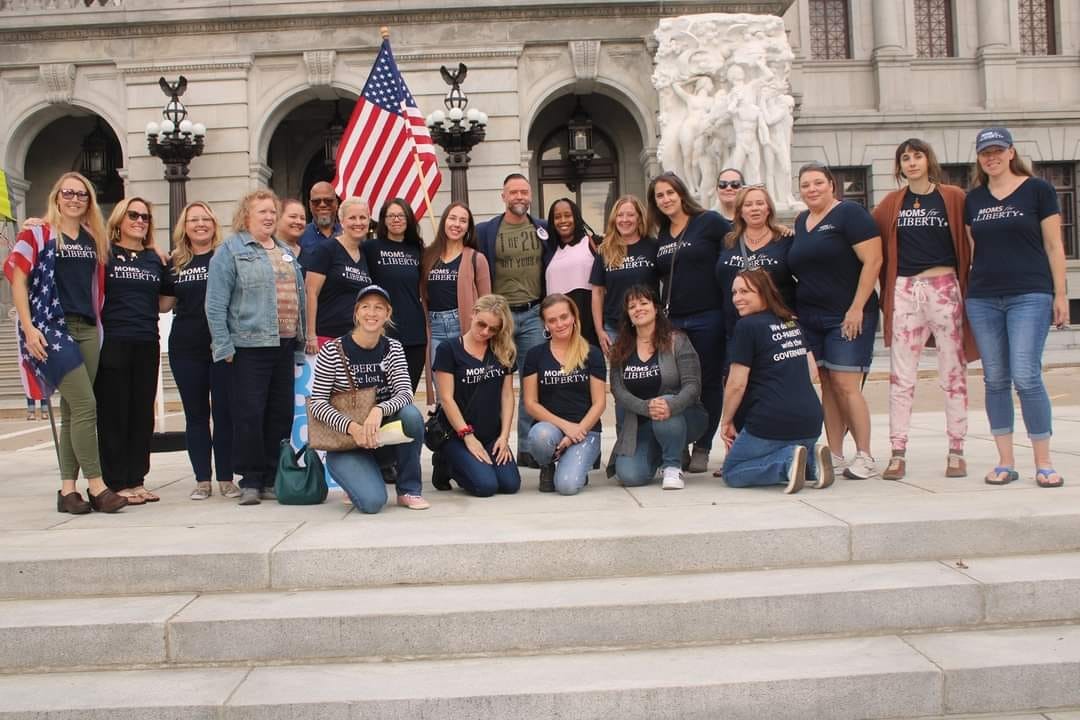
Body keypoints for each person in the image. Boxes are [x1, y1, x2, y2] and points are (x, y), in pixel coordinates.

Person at [4, 172, 127, 513]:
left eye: (82, 194)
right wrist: (28, 329)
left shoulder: (92, 238)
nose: (74, 199)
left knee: (73, 410)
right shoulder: (38, 232)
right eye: (68, 193)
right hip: (51, 328)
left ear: (89, 201)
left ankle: (67, 490)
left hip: (87, 327)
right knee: (87, 405)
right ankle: (98, 486)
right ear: (56, 196)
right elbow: (17, 276)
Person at [964, 127, 1068, 488]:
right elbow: (972, 251)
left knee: (1026, 375)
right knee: (995, 379)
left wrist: (1061, 294)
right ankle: (1005, 461)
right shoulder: (973, 199)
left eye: (997, 150)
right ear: (979, 158)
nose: (991, 157)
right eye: (984, 152)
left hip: (1030, 293)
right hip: (983, 297)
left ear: (1011, 152)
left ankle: (1044, 462)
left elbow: (1055, 246)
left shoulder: (1038, 190)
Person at [873, 139, 976, 481]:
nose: (912, 162)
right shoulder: (891, 203)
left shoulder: (953, 197)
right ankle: (898, 451)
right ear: (899, 165)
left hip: (945, 287)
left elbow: (973, 240)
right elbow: (863, 236)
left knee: (953, 373)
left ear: (928, 160)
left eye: (917, 156)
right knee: (901, 376)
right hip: (905, 289)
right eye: (905, 157)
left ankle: (957, 449)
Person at [206, 189, 306, 506]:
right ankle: (250, 478)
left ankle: (271, 476)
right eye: (261, 211)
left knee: (280, 413)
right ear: (245, 216)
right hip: (248, 346)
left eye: (272, 212)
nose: (268, 217)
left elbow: (300, 298)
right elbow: (215, 304)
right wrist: (224, 346)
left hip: (285, 343)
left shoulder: (284, 250)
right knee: (250, 413)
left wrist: (300, 343)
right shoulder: (230, 250)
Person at [787, 162, 883, 479]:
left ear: (831, 185)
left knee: (846, 385)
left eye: (818, 183)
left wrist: (856, 308)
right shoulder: (802, 221)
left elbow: (873, 260)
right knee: (826, 385)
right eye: (805, 185)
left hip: (848, 315)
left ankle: (865, 455)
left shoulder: (850, 215)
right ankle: (837, 454)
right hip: (811, 316)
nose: (812, 189)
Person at [308, 285, 429, 511]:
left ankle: (408, 489)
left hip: (381, 438)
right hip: (348, 442)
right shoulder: (333, 351)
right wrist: (352, 427)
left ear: (387, 313)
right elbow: (318, 404)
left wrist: (378, 409)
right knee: (373, 503)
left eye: (378, 308)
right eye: (365, 307)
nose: (371, 313)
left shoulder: (393, 347)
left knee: (411, 416)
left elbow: (405, 393)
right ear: (356, 312)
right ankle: (353, 474)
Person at [649, 171, 732, 474]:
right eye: (660, 195)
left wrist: (778, 229)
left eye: (670, 192)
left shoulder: (708, 222)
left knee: (708, 383)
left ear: (681, 193)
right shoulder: (662, 233)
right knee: (676, 382)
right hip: (674, 322)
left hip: (708, 316)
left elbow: (740, 235)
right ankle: (679, 443)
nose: (666, 199)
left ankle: (703, 447)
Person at [720, 269, 829, 493]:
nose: (737, 298)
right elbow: (812, 371)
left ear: (764, 293)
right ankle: (811, 463)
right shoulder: (791, 322)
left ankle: (788, 462)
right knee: (784, 450)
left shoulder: (747, 327)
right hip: (811, 420)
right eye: (734, 292)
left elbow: (736, 383)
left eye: (744, 291)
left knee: (733, 471)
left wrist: (726, 421)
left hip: (771, 422)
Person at [476, 173, 555, 467]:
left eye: (524, 191)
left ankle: (526, 447)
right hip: (501, 318)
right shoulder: (486, 231)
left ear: (530, 195)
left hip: (535, 314)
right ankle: (494, 444)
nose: (519, 197)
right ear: (504, 196)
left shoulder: (543, 229)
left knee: (531, 383)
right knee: (497, 383)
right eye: (513, 192)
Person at [160, 201, 237, 500]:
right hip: (185, 346)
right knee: (195, 415)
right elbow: (163, 303)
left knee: (224, 413)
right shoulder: (174, 262)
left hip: (221, 346)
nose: (200, 224)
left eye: (206, 219)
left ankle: (227, 478)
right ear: (185, 226)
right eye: (194, 220)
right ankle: (202, 479)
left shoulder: (226, 256)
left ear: (214, 225)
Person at [96, 196, 166, 505]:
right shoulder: (105, 253)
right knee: (115, 413)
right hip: (113, 341)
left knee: (141, 414)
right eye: (133, 215)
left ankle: (137, 480)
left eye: (145, 217)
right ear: (119, 220)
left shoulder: (155, 259)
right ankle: (116, 481)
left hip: (146, 341)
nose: (140, 221)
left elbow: (165, 301)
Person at [609, 285, 707, 490]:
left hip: (684, 415)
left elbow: (692, 386)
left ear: (655, 308)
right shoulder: (621, 347)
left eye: (644, 303)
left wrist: (670, 405)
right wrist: (646, 407)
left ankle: (672, 466)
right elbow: (618, 391)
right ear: (627, 314)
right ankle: (665, 449)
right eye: (632, 306)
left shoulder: (677, 341)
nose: (638, 309)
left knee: (665, 403)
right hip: (643, 421)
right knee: (630, 475)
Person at [432, 294, 520, 497]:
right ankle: (446, 462)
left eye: (493, 329)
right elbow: (446, 398)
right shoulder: (449, 349)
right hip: (457, 434)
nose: (485, 332)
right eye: (482, 324)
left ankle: (471, 464)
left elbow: (507, 396)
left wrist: (504, 437)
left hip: (490, 434)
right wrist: (468, 436)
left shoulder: (503, 350)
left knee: (509, 484)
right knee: (485, 486)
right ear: (473, 314)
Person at [522, 293, 606, 495]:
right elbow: (531, 404)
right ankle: (547, 465)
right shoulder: (535, 355)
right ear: (545, 325)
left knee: (567, 486)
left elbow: (600, 403)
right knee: (540, 436)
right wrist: (566, 427)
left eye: (564, 317)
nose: (559, 324)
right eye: (552, 320)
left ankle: (577, 461)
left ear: (574, 317)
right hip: (550, 429)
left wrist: (575, 433)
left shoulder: (592, 353)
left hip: (585, 430)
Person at [715, 185, 796, 361]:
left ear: (768, 209)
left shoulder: (786, 240)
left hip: (777, 328)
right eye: (748, 204)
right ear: (740, 211)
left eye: (760, 203)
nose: (754, 208)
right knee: (738, 382)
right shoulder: (728, 242)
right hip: (736, 327)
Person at [420, 202, 491, 396]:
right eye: (452, 218)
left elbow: (487, 304)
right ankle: (447, 427)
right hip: (434, 330)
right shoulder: (428, 256)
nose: (456, 224)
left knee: (465, 387)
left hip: (462, 326)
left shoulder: (476, 258)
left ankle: (470, 427)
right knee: (443, 390)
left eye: (463, 220)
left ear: (468, 227)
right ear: (444, 221)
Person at [365, 198, 426, 392]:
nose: (396, 220)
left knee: (406, 393)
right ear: (383, 220)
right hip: (383, 333)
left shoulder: (418, 250)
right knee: (382, 394)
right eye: (391, 216)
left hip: (414, 335)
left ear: (409, 219)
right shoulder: (370, 248)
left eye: (401, 215)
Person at [590, 195, 657, 355]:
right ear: (614, 219)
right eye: (620, 215)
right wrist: (599, 331)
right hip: (615, 327)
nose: (624, 220)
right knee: (619, 377)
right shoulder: (605, 250)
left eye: (630, 215)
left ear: (640, 218)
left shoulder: (653, 246)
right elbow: (597, 293)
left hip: (650, 326)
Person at [304, 197, 372, 353]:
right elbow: (311, 293)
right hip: (327, 337)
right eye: (352, 218)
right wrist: (311, 335)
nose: (358, 222)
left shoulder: (365, 253)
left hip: (356, 337)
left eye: (362, 217)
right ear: (341, 221)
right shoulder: (326, 250)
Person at [545, 197, 599, 346]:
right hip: (558, 323)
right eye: (557, 217)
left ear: (576, 217)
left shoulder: (592, 243)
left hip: (588, 322)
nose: (563, 220)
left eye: (567, 215)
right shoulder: (547, 249)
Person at [299, 181, 341, 252]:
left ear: (336, 203)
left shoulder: (347, 234)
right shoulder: (300, 235)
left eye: (328, 201)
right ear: (310, 205)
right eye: (316, 201)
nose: (322, 205)